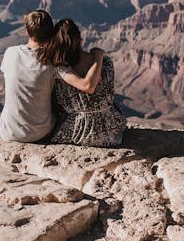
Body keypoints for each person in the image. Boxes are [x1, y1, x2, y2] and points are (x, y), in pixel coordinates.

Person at [0, 10, 105, 142]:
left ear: (26, 31)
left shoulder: (10, 53)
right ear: (51, 33)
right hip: (40, 134)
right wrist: (99, 56)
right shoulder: (52, 61)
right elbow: (88, 86)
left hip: (8, 131)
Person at [38, 18, 126, 147]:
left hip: (75, 132)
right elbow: (103, 91)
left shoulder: (60, 69)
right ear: (80, 39)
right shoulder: (105, 62)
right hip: (110, 133)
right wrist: (99, 56)